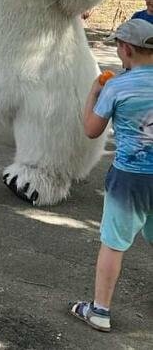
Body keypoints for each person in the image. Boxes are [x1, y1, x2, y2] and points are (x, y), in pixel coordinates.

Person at [70, 18, 153, 333]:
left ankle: (100, 311)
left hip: (129, 178)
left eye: (118, 45)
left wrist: (94, 91)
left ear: (127, 49)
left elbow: (91, 130)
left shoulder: (117, 86)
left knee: (113, 244)